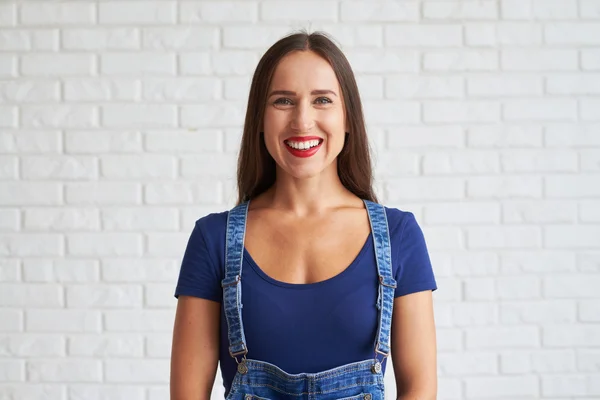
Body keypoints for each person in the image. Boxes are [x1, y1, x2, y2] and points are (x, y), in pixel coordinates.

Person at [170, 31, 438, 400]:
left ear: (347, 118)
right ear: (260, 118)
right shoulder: (212, 240)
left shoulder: (398, 236)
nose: (303, 121)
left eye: (322, 100)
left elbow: (420, 390)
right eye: (283, 101)